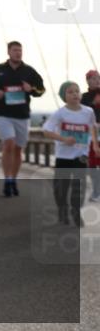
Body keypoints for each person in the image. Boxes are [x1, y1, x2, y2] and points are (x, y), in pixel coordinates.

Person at [0, 41, 45, 197]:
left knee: (18, 149)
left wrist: (32, 89)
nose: (18, 53)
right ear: (8, 52)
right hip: (2, 113)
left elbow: (41, 89)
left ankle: (13, 179)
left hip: (22, 114)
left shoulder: (29, 71)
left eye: (20, 50)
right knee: (9, 143)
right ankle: (7, 179)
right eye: (15, 50)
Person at [42, 81, 99, 227]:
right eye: (70, 92)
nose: (75, 94)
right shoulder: (60, 113)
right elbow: (46, 131)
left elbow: (92, 127)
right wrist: (63, 139)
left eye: (77, 91)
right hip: (63, 156)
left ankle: (76, 212)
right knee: (61, 187)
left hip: (81, 155)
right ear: (64, 96)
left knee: (79, 186)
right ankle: (62, 210)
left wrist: (95, 145)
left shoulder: (88, 112)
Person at [82, 70, 100, 202]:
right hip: (91, 134)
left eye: (98, 78)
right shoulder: (84, 97)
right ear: (88, 81)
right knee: (93, 164)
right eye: (93, 78)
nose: (97, 80)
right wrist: (93, 104)